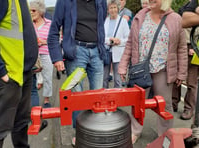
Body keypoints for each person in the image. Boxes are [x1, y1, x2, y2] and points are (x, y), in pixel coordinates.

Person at [118, 0, 188, 144]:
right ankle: (135, 131)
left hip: (164, 70)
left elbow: (181, 48)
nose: (150, 0)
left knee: (165, 104)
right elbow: (130, 43)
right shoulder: (140, 16)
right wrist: (123, 65)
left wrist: (181, 73)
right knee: (138, 102)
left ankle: (165, 135)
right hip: (141, 69)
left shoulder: (175, 19)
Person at [47, 0, 107, 145]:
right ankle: (81, 134)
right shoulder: (65, 2)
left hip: (96, 52)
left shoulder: (100, 2)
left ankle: (95, 131)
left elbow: (100, 24)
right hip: (76, 52)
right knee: (77, 96)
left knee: (98, 94)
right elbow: (54, 31)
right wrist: (56, 57)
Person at [0, 0, 38, 147]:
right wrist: (1, 70)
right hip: (8, 75)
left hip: (24, 72)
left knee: (21, 123)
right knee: (1, 128)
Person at [30, 0, 53, 108]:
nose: (31, 12)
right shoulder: (29, 24)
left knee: (47, 77)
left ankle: (46, 100)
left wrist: (43, 42)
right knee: (32, 78)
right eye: (30, 10)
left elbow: (54, 39)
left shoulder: (49, 24)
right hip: (33, 55)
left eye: (33, 10)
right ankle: (33, 102)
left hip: (46, 53)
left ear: (40, 12)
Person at [103, 0, 129, 88]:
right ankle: (105, 98)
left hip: (118, 53)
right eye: (111, 8)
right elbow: (101, 37)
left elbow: (128, 38)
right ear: (107, 10)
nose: (113, 10)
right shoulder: (105, 21)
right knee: (104, 78)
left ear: (118, 9)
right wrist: (110, 40)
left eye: (114, 7)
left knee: (118, 79)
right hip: (106, 52)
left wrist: (119, 41)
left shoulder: (123, 21)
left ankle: (118, 99)